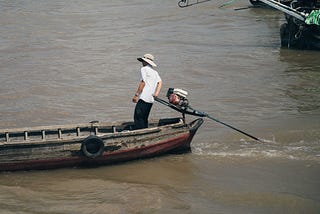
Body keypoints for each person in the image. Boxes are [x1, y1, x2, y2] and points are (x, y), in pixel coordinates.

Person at [132, 54, 162, 129]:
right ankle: (145, 131)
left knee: (138, 117)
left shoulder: (144, 69)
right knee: (144, 118)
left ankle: (140, 133)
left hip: (144, 97)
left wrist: (136, 95)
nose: (142, 62)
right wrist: (156, 94)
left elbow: (143, 82)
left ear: (146, 62)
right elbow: (160, 82)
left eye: (143, 61)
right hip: (151, 99)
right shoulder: (155, 72)